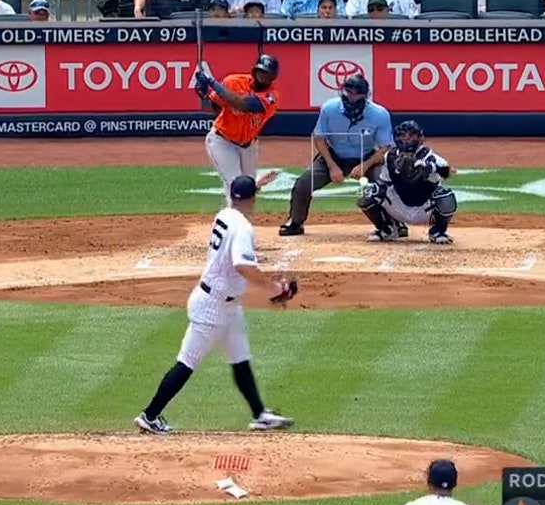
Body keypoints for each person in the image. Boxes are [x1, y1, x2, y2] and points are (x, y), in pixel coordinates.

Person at [133, 174, 296, 436]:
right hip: (212, 307)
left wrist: (256, 184)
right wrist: (274, 288)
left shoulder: (225, 214)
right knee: (186, 362)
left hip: (225, 305)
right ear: (254, 199)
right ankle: (150, 415)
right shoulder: (243, 228)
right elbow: (243, 265)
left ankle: (259, 414)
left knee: (240, 357)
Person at [279, 74, 394, 237]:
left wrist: (365, 165)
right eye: (349, 92)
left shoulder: (379, 114)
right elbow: (319, 138)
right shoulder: (329, 108)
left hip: (367, 157)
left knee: (385, 183)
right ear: (343, 92)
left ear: (366, 95)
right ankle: (295, 221)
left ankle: (393, 222)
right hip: (334, 156)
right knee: (304, 182)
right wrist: (332, 166)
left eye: (357, 93)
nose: (353, 97)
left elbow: (385, 148)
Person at [196, 54, 283, 206]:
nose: (263, 76)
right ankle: (232, 225)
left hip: (248, 146)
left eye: (267, 74)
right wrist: (203, 93)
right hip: (222, 141)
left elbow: (242, 104)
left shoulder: (271, 97)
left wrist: (211, 82)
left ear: (273, 77)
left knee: (249, 188)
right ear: (254, 71)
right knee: (234, 184)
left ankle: (244, 220)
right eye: (261, 71)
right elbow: (210, 108)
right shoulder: (233, 82)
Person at [358, 120, 459, 244]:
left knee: (446, 196)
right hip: (399, 206)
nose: (407, 140)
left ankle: (438, 231)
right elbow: (384, 182)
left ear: (420, 138)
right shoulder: (390, 156)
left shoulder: (429, 156)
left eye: (411, 136)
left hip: (424, 208)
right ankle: (388, 229)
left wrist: (429, 168)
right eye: (403, 136)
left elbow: (449, 171)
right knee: (368, 191)